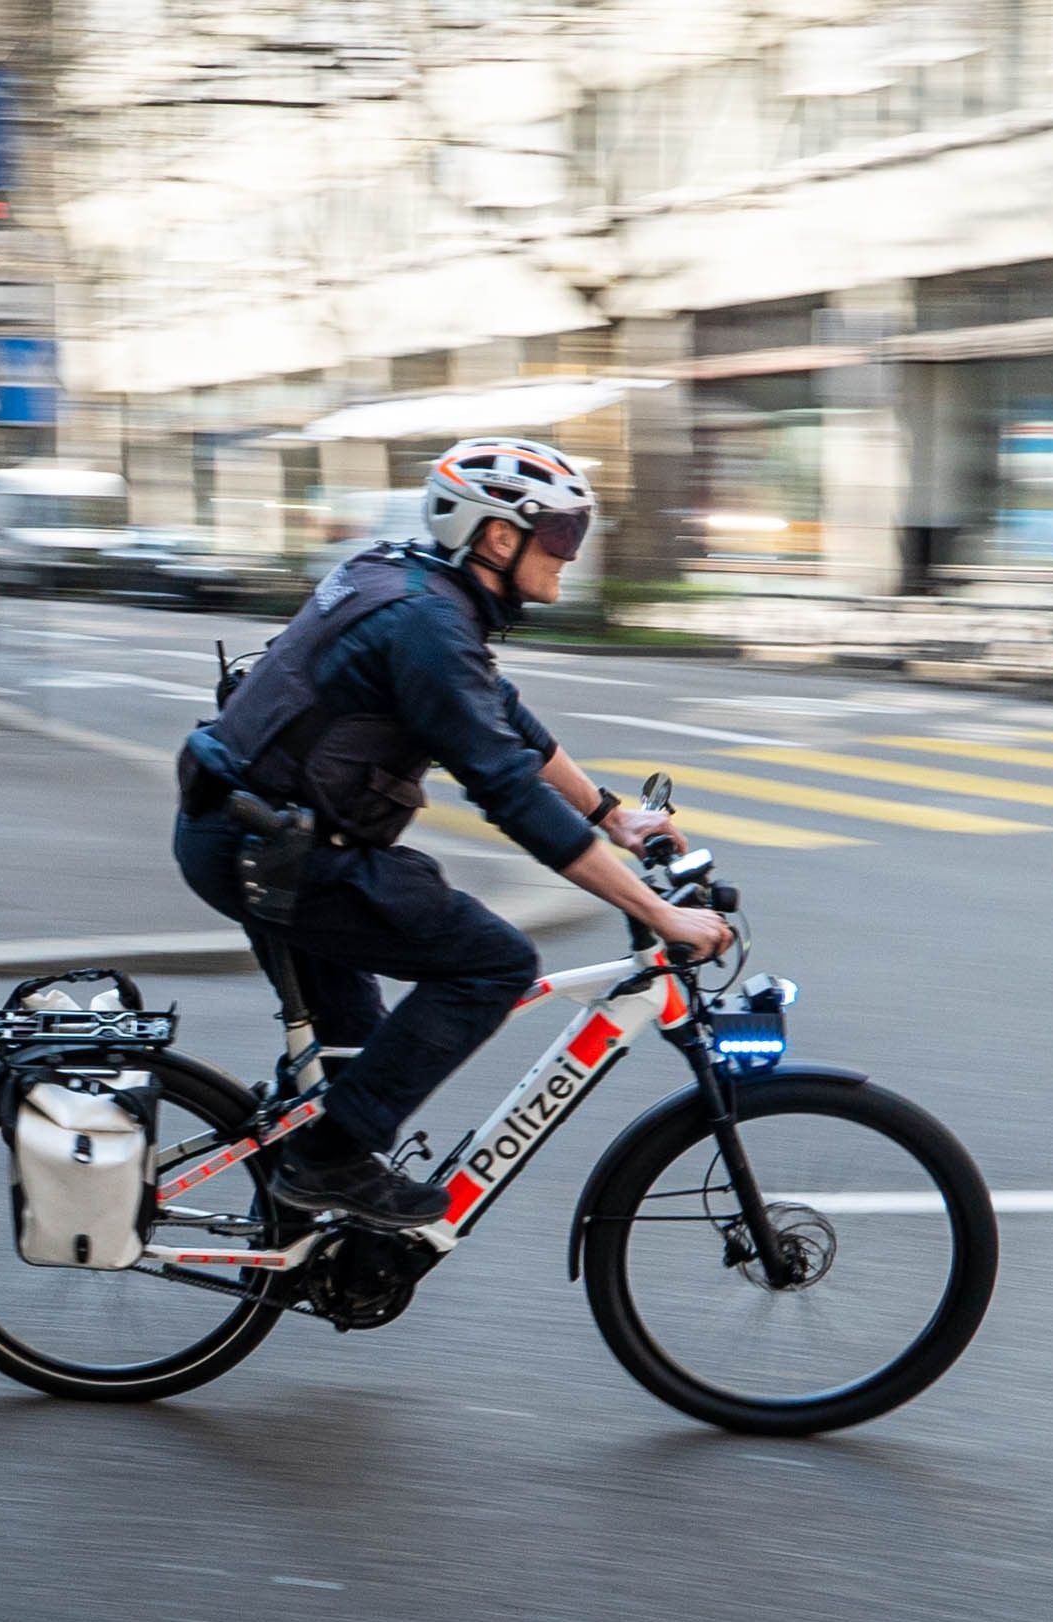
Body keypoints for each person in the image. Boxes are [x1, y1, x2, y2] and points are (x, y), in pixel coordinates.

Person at [174, 436, 737, 1229]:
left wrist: (612, 815)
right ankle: (324, 1166)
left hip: (256, 836)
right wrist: (658, 914)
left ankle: (307, 1200)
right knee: (492, 963)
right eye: (560, 534)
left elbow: (497, 713)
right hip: (271, 852)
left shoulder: (414, 584)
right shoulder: (428, 625)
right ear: (498, 537)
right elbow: (504, 786)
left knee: (356, 1055)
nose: (570, 555)